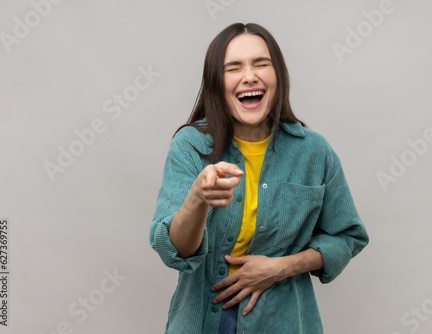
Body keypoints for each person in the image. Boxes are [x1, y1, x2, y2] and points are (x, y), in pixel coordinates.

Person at [149, 22, 369, 334]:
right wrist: (198, 199)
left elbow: (347, 237)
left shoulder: (315, 151)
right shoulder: (190, 146)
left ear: (278, 76)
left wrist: (280, 267)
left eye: (261, 64)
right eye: (233, 67)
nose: (249, 76)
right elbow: (176, 252)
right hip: (202, 322)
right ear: (216, 82)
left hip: (285, 321)